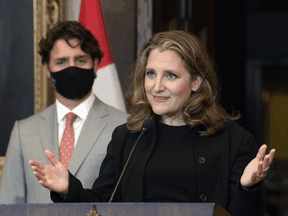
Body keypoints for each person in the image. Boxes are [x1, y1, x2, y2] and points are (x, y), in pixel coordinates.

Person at [29, 30, 275, 215]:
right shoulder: (127, 136)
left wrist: (247, 187)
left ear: (196, 82)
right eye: (151, 74)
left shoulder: (235, 140)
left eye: (170, 75)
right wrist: (68, 188)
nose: (157, 87)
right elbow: (104, 204)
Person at [0, 21, 128, 204]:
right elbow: (9, 205)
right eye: (61, 62)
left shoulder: (125, 126)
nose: (71, 68)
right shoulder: (24, 131)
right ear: (47, 69)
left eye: (80, 60)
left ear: (95, 64)